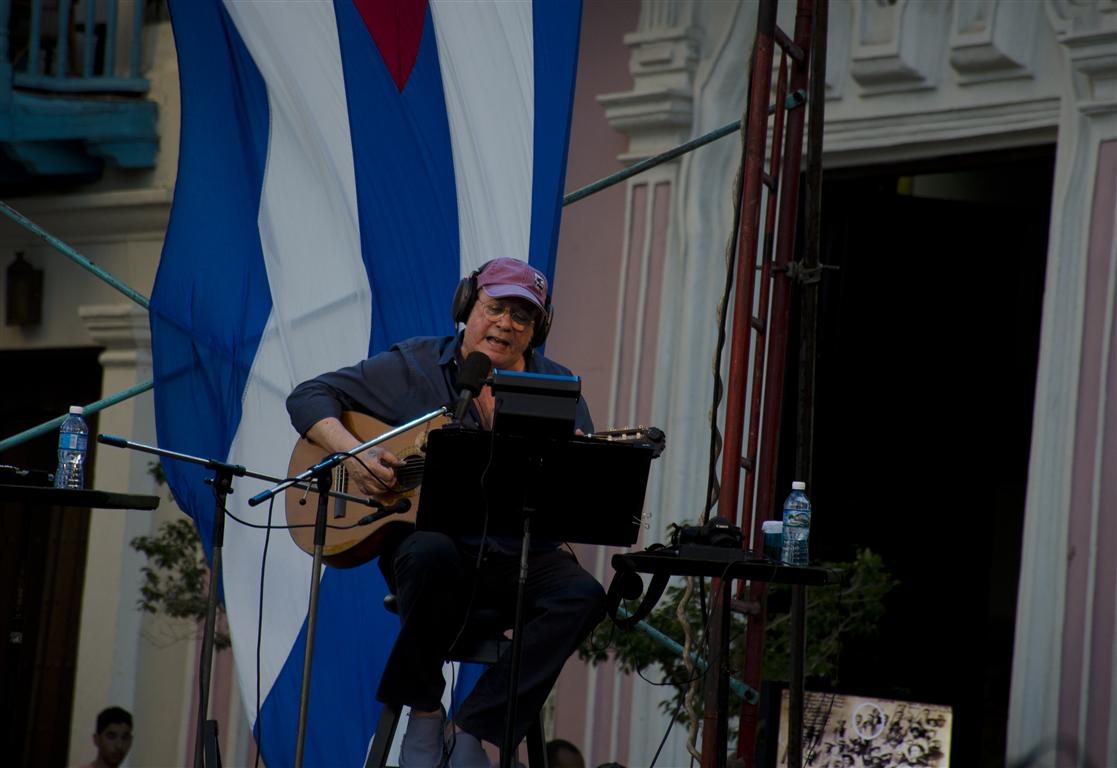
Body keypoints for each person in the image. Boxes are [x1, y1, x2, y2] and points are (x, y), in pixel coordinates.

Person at [287, 258, 605, 767]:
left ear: (537, 329)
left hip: (514, 550)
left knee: (583, 595)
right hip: (429, 542)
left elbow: (578, 489)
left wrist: (578, 460)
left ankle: (473, 728)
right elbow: (308, 396)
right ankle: (425, 711)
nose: (506, 324)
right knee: (431, 556)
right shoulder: (413, 367)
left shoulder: (558, 385)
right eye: (495, 308)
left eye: (522, 317)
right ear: (467, 308)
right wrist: (355, 452)